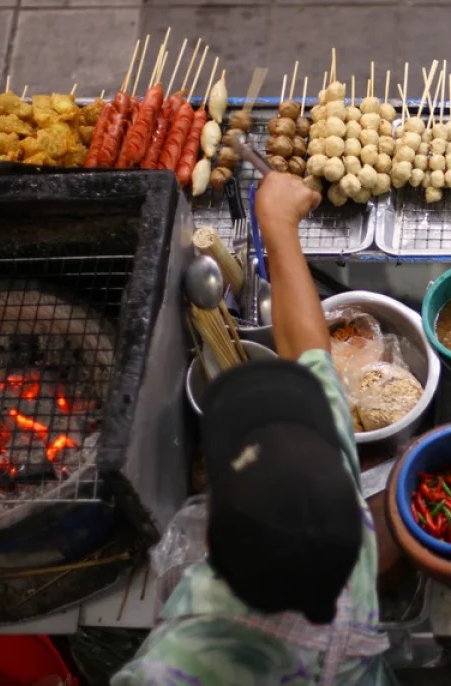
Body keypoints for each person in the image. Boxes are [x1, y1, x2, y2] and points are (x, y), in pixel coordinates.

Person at [112, 173, 394, 686]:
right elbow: (311, 353)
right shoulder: (345, 526)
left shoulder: (173, 665)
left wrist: (275, 220)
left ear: (211, 542)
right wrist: (279, 225)